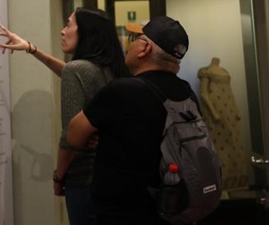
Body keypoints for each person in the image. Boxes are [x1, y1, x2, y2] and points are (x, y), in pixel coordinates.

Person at [0, 8, 129, 225]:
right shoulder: (111, 69)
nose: (62, 31)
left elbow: (70, 137)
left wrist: (59, 176)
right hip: (116, 177)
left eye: (69, 25)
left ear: (85, 32)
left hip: (85, 178)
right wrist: (31, 48)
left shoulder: (79, 70)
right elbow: (71, 71)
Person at [66, 16, 195, 225]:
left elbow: (73, 135)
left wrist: (96, 133)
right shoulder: (187, 93)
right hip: (173, 209)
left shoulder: (122, 91)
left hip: (125, 214)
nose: (129, 43)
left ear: (145, 49)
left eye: (135, 38)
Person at [198, 57, 247, 189]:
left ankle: (235, 179)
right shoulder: (206, 71)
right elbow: (204, 93)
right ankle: (220, 179)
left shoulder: (224, 71)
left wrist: (236, 109)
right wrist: (213, 112)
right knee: (218, 144)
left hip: (229, 109)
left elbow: (230, 92)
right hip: (216, 108)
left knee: (234, 142)